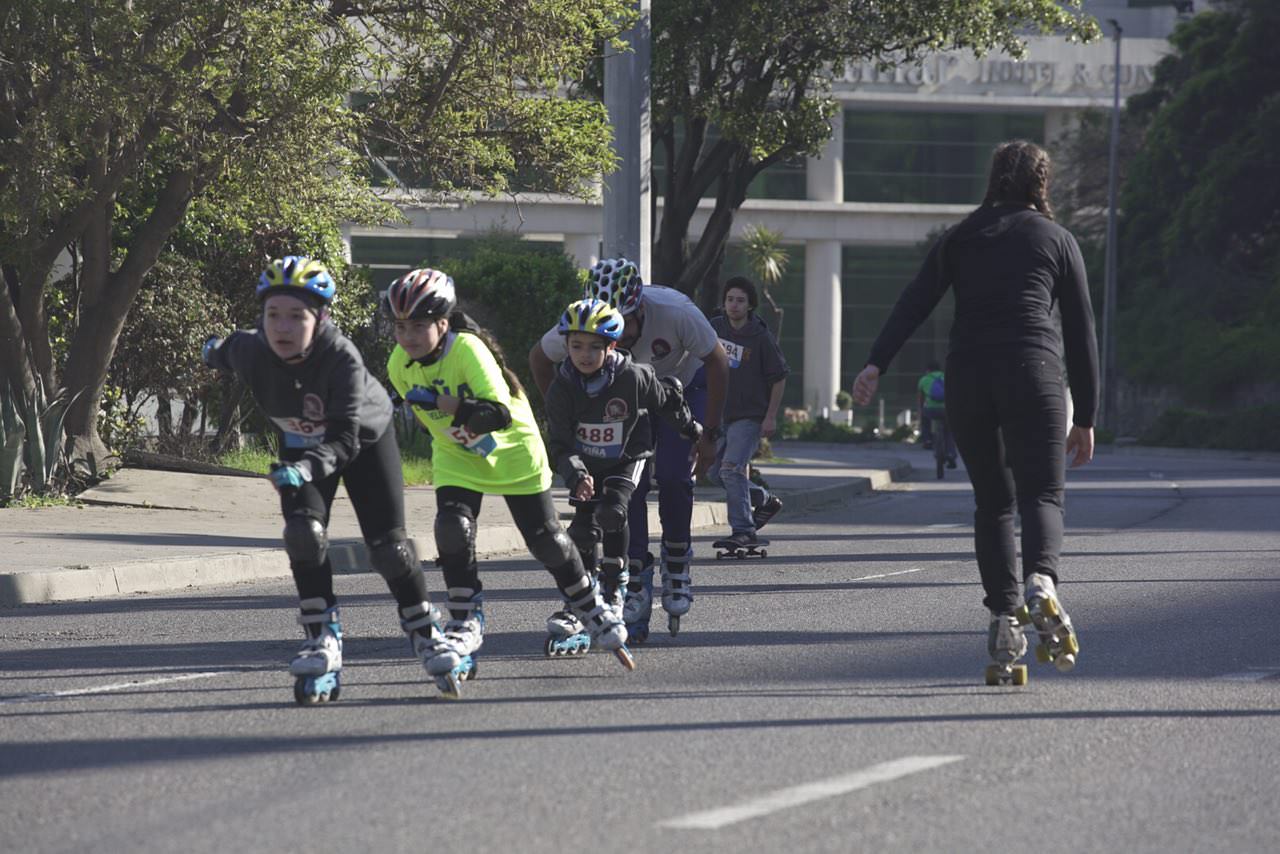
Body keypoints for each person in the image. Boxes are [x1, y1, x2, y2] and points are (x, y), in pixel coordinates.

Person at [850, 140, 1098, 685]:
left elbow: (914, 301)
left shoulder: (960, 237)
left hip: (968, 377)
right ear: (1041, 182)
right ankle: (1042, 582)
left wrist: (875, 364)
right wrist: (1087, 416)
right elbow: (1080, 333)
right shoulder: (1056, 239)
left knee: (993, 504)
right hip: (1034, 372)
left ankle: (1005, 620)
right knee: (1041, 493)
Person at [202, 255, 447, 705]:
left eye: (297, 316)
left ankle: (425, 628)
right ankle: (321, 637)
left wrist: (302, 470)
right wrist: (211, 350)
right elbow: (222, 350)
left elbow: (343, 442)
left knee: (388, 549)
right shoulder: (249, 348)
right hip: (300, 446)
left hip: (360, 442)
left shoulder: (342, 359)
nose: (283, 327)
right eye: (273, 314)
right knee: (302, 533)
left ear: (322, 318)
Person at [384, 267, 634, 689]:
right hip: (456, 454)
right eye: (401, 326)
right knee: (452, 528)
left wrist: (446, 402)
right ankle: (466, 619)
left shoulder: (467, 350)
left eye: (420, 325)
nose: (409, 336)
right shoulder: (398, 364)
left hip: (512, 449)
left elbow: (495, 415)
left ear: (443, 323)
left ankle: (589, 603)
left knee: (545, 539)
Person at [529, 258, 730, 642]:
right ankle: (634, 574)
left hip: (682, 387)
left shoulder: (676, 314)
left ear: (639, 310)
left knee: (673, 474)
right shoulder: (587, 326)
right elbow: (540, 358)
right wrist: (566, 415)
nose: (615, 340)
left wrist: (709, 435)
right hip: (619, 398)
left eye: (623, 328)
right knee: (624, 487)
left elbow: (718, 362)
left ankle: (677, 559)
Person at [543, 298, 703, 654]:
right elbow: (558, 443)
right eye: (576, 346)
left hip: (626, 457)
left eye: (595, 347)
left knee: (612, 513)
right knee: (581, 532)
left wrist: (691, 429)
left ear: (611, 346)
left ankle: (614, 592)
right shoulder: (561, 388)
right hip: (587, 464)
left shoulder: (634, 376)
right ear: (566, 345)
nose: (584, 355)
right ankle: (580, 602)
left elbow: (668, 401)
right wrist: (576, 474)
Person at [707, 276, 789, 553]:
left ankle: (743, 531)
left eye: (740, 300)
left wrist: (771, 416)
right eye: (730, 299)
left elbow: (779, 378)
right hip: (720, 414)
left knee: (731, 469)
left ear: (750, 304)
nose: (734, 305)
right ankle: (764, 501)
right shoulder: (714, 329)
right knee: (715, 473)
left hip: (750, 416)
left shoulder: (760, 336)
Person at [917, 360, 956, 467]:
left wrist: (921, 411)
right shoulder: (947, 377)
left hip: (931, 410)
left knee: (925, 418)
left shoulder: (924, 379)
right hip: (947, 410)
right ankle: (950, 453)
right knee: (949, 431)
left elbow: (921, 400)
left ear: (928, 370)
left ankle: (927, 440)